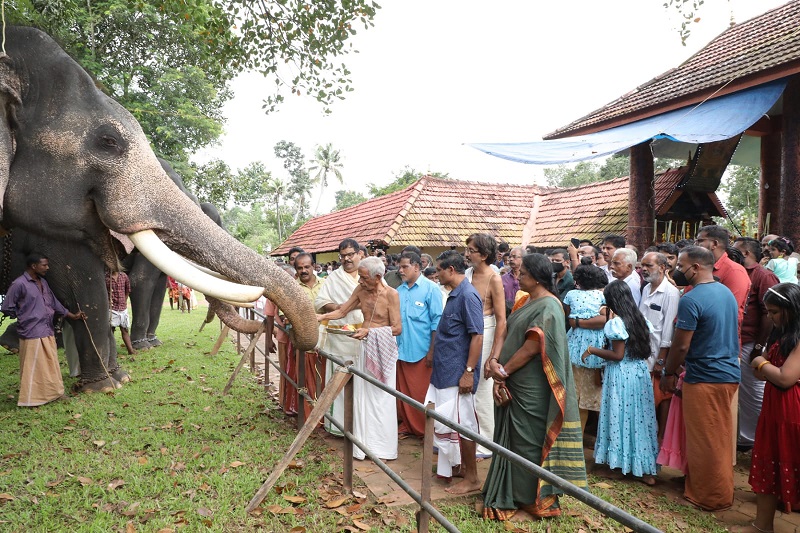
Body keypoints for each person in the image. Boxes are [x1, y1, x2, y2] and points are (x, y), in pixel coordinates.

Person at [482, 254, 587, 520]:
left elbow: (531, 348)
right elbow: (506, 331)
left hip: (532, 387)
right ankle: (515, 493)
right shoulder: (527, 300)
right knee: (515, 440)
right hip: (515, 381)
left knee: (527, 441)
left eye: (523, 274)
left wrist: (503, 371)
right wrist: (495, 361)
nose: (518, 277)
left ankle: (532, 499)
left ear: (538, 277)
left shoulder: (549, 307)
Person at [660, 245, 740, 511]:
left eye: (681, 266)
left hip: (706, 376)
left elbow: (681, 346)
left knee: (707, 440)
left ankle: (710, 497)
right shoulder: (724, 292)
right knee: (716, 435)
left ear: (696, 267)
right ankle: (706, 488)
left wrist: (668, 373)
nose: (677, 271)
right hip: (725, 373)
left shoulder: (691, 299)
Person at [317, 256, 401, 460]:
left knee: (382, 398)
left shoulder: (392, 294)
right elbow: (341, 311)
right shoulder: (361, 291)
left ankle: (383, 448)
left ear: (378, 276)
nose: (360, 281)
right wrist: (321, 317)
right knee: (363, 396)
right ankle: (363, 446)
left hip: (383, 350)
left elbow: (397, 328)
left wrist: (370, 332)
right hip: (364, 349)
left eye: (364, 278)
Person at [736, 283, 800, 533]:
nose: (770, 318)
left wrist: (761, 362)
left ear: (792, 309)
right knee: (769, 463)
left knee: (789, 459)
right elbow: (769, 375)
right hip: (774, 408)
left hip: (791, 411)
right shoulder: (783, 334)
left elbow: (784, 377)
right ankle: (762, 526)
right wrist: (764, 367)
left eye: (775, 312)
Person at [585, 280, 659, 485]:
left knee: (620, 418)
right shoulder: (641, 319)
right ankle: (644, 469)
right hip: (639, 373)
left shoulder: (616, 324)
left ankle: (619, 466)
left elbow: (617, 355)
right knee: (639, 419)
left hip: (620, 375)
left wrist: (592, 350)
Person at [425, 250, 484, 494]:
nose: (436, 274)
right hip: (445, 370)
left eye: (439, 269)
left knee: (464, 424)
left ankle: (472, 478)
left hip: (458, 373)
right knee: (449, 422)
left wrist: (468, 371)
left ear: (451, 270)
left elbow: (477, 336)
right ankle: (458, 467)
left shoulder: (468, 296)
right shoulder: (454, 295)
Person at [1, 253, 86, 406]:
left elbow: (54, 303)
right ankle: (32, 399)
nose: (47, 268)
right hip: (31, 331)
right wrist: (24, 315)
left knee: (50, 363)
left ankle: (55, 393)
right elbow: (7, 307)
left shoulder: (43, 283)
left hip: (46, 329)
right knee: (33, 365)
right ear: (34, 266)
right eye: (44, 265)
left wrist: (72, 316)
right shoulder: (19, 284)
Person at [732, 238, 779, 451]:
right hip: (739, 340)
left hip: (753, 342)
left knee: (754, 391)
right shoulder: (739, 273)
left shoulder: (764, 275)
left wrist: (760, 347)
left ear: (747, 254)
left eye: (736, 251)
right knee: (742, 392)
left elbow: (768, 314)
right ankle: (745, 436)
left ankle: (757, 439)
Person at [315, 238, 365, 436]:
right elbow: (321, 301)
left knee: (363, 384)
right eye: (343, 256)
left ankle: (360, 428)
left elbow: (380, 298)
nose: (347, 259)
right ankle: (336, 427)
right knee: (337, 380)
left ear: (359, 254)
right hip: (339, 337)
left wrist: (351, 305)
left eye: (350, 255)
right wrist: (339, 307)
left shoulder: (370, 274)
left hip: (363, 338)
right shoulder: (334, 277)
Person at [465, 233, 506, 458]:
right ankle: (467, 437)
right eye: (468, 249)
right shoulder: (467, 274)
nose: (467, 253)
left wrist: (493, 356)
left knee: (481, 388)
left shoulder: (494, 278)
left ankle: (486, 442)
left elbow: (502, 320)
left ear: (484, 255)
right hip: (467, 333)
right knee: (466, 386)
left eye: (472, 250)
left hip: (486, 330)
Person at [396, 251, 443, 436]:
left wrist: (432, 351)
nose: (400, 270)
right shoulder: (398, 291)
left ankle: (426, 430)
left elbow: (437, 323)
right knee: (404, 393)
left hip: (423, 351)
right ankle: (408, 425)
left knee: (422, 394)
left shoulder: (431, 289)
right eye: (399, 267)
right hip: (401, 350)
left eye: (404, 267)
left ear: (417, 267)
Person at [638, 252, 680, 443]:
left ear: (663, 267)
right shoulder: (646, 288)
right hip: (642, 352)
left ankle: (661, 439)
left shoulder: (670, 293)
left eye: (649, 266)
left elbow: (669, 330)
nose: (644, 269)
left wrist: (661, 360)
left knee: (661, 398)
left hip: (658, 355)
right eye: (642, 266)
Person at [563, 265, 608, 437]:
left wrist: (578, 321)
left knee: (574, 393)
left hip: (575, 344)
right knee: (596, 391)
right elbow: (607, 318)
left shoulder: (571, 295)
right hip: (597, 346)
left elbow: (567, 315)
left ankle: (575, 437)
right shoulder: (602, 295)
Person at [294, 252, 326, 421]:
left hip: (327, 339)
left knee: (325, 378)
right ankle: (311, 419)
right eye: (300, 268)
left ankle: (326, 417)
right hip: (305, 341)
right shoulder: (292, 287)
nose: (304, 270)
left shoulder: (326, 283)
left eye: (307, 267)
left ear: (314, 266)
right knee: (307, 381)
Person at [106, 270, 136, 355]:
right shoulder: (106, 277)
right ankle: (111, 352)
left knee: (125, 330)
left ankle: (131, 351)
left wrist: (125, 300)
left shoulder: (123, 276)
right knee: (111, 331)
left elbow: (127, 290)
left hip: (123, 308)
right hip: (111, 308)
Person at [501, 247, 523, 316]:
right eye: (510, 257)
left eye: (514, 257)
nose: (510, 259)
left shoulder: (529, 278)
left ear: (523, 259)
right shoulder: (503, 278)